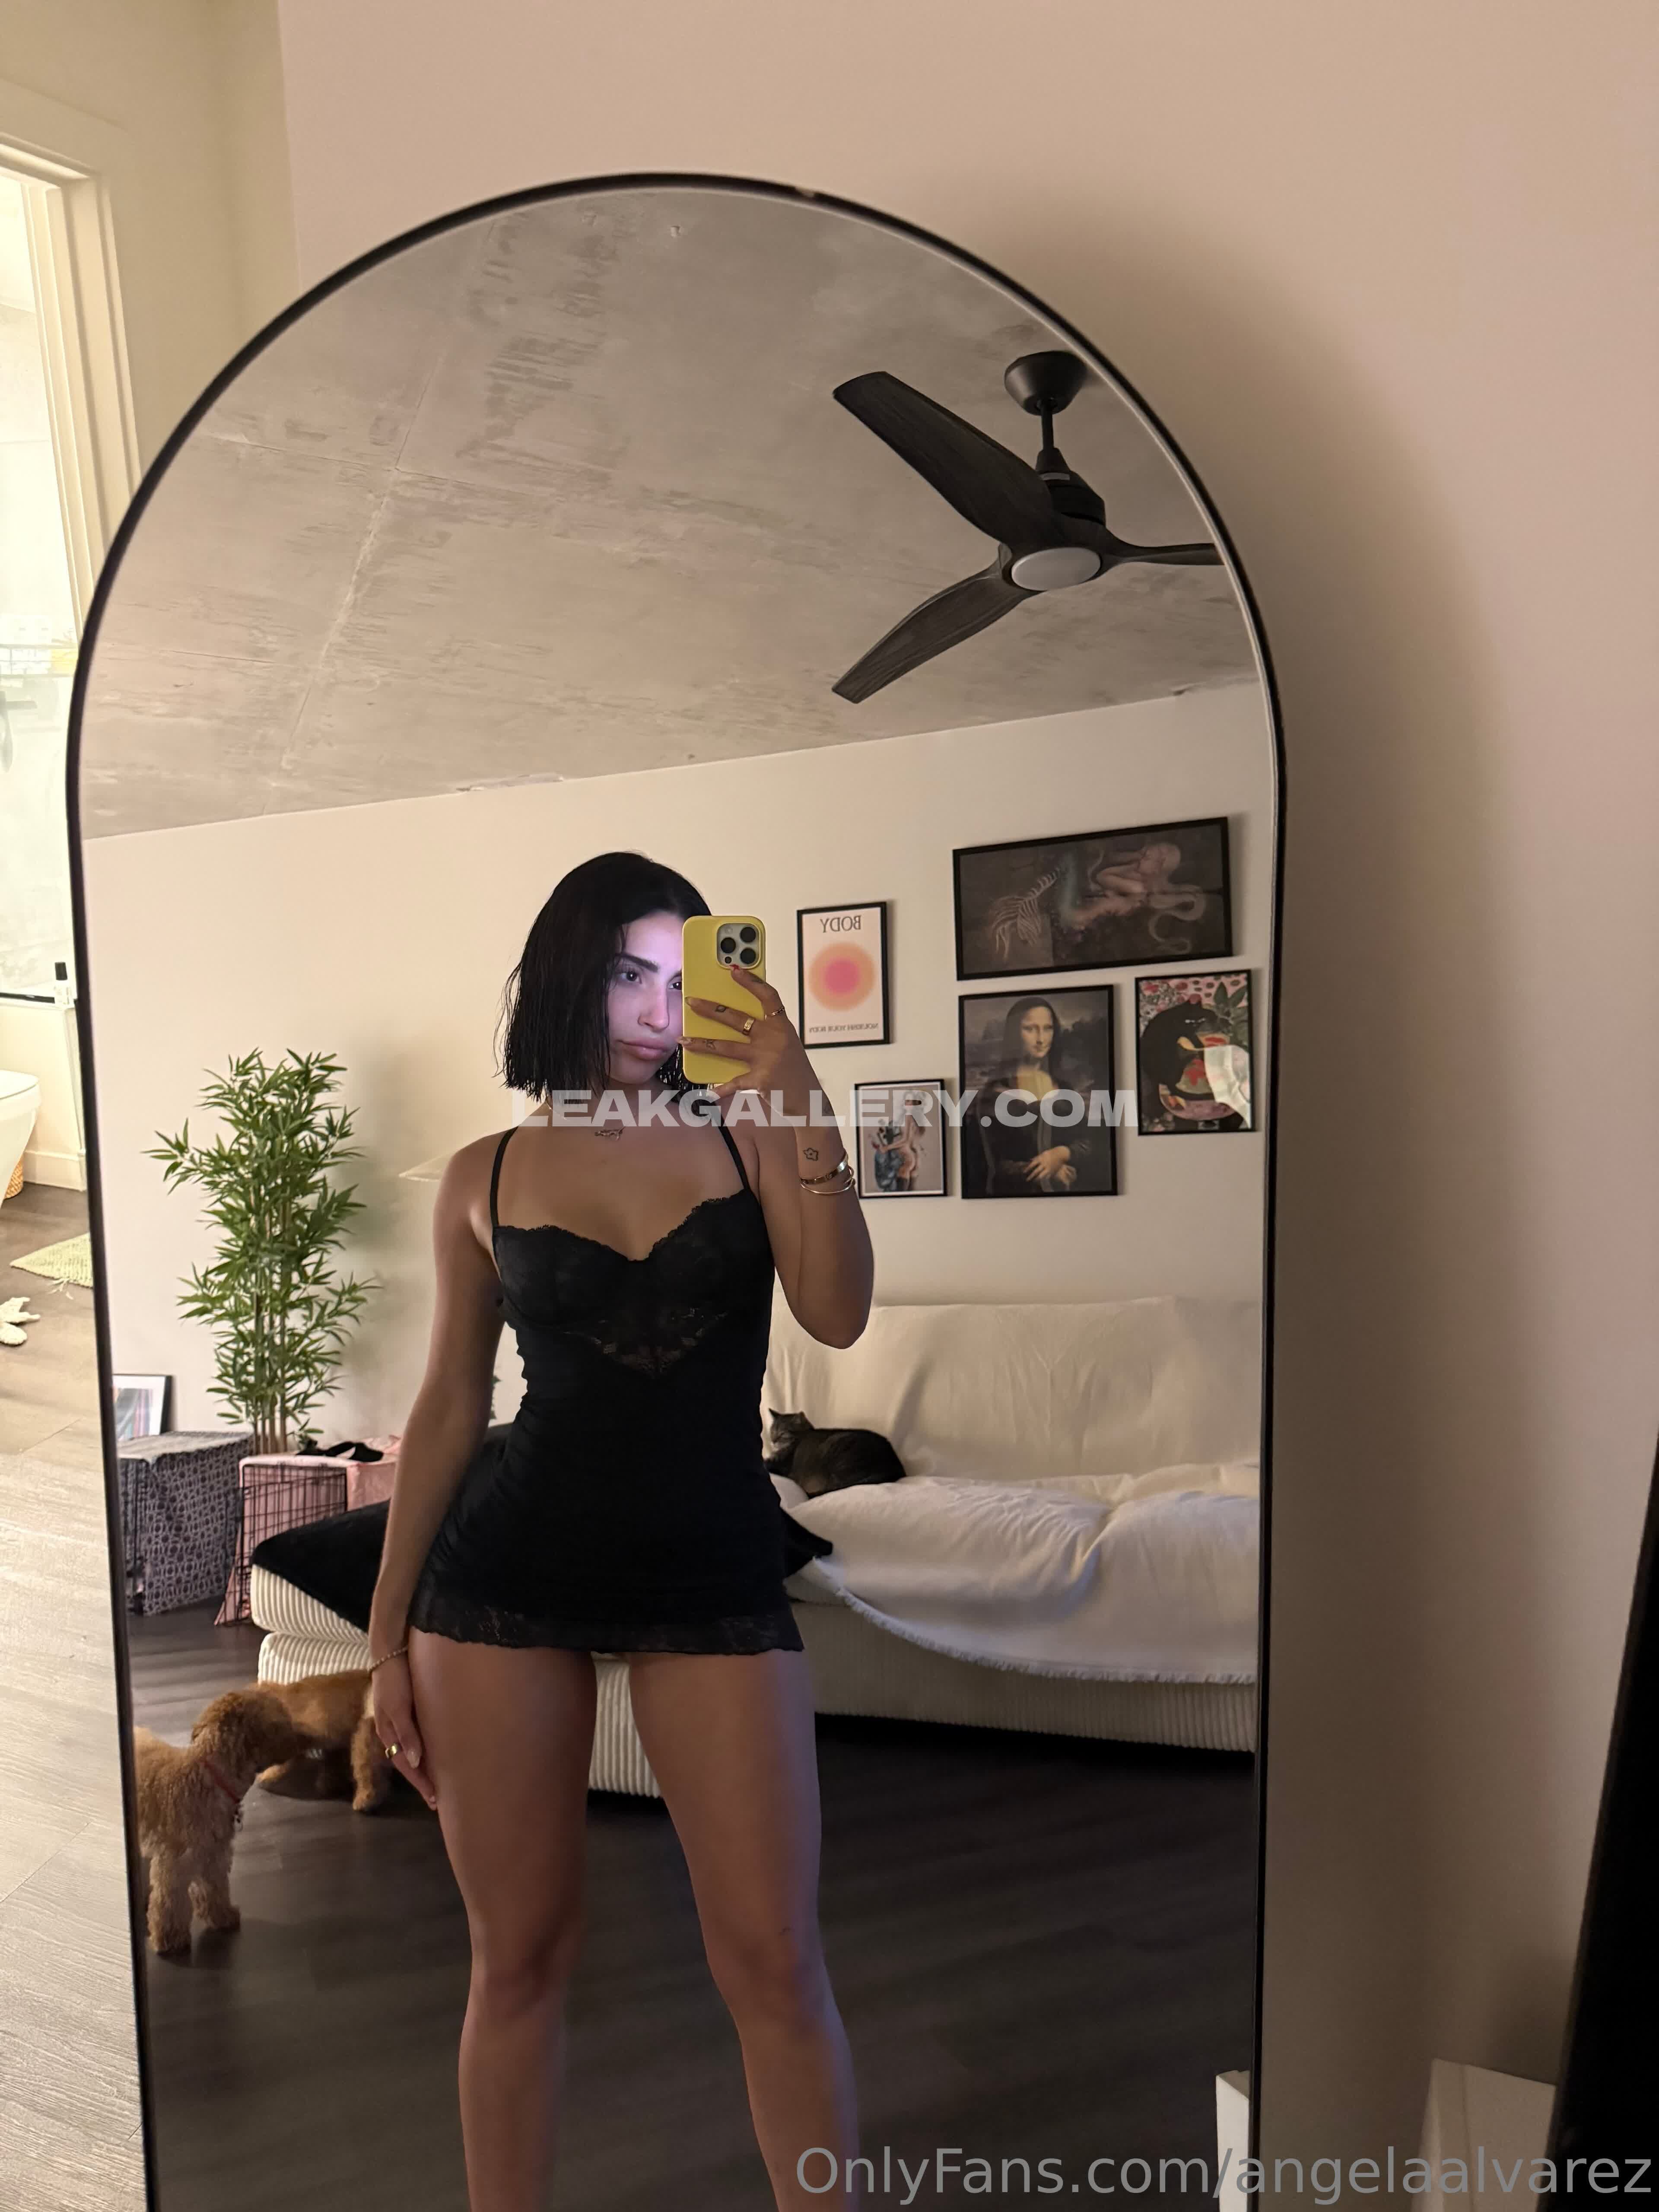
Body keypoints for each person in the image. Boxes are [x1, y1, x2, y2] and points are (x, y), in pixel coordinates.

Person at [368, 852, 874, 2212]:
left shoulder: (751, 1131)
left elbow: (837, 1311)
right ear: (567, 980)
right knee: (517, 1959)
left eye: (679, 977)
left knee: (776, 1962)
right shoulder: (482, 1172)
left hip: (713, 1566)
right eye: (627, 976)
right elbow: (450, 1404)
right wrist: (386, 1637)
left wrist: (795, 1086)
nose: (659, 1010)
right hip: (502, 1578)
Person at [963, 995, 1104, 1197]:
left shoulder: (1065, 1088)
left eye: (1048, 1029)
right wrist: (1048, 1171)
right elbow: (990, 1163)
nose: (1041, 1039)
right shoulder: (993, 1095)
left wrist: (1061, 1154)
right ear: (1015, 1033)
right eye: (1030, 1029)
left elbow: (1087, 1143)